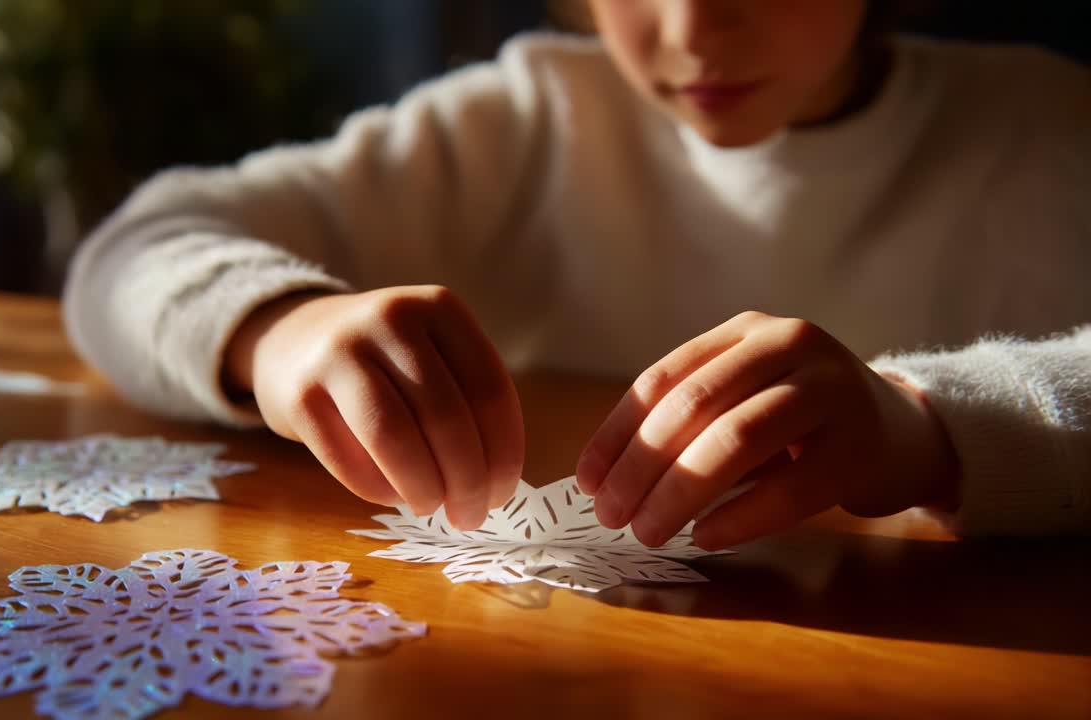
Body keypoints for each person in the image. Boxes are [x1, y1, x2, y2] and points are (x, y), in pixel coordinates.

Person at [63, 0, 1091, 548]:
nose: (690, 27)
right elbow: (126, 254)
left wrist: (921, 430)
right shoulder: (524, 120)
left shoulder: (1046, 131)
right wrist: (276, 328)